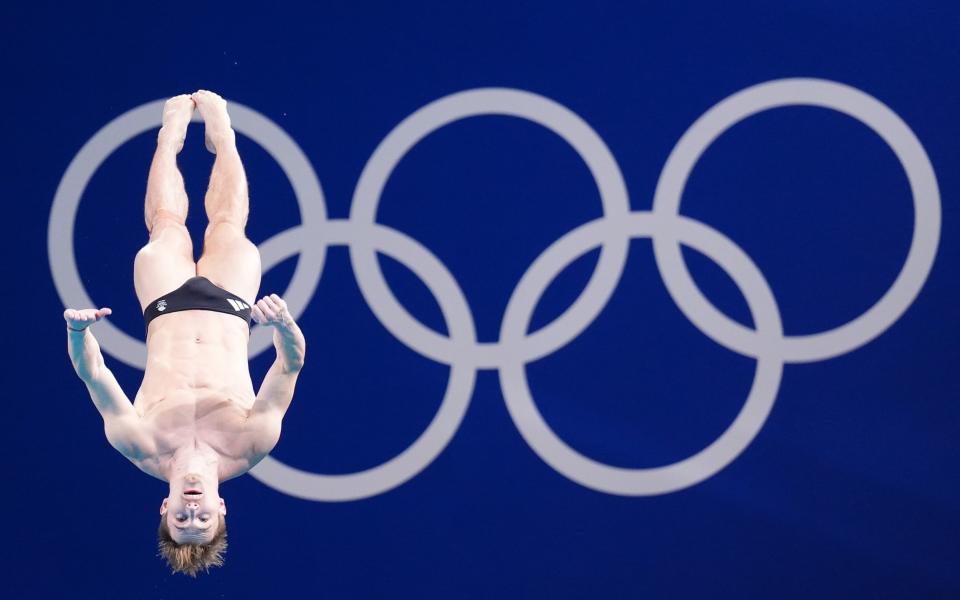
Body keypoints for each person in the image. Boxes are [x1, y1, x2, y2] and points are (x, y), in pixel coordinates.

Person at [63, 91, 306, 577]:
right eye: (201, 519)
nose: (191, 510)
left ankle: (169, 138)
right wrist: (282, 324)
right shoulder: (253, 441)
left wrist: (75, 332)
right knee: (228, 226)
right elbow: (290, 365)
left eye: (181, 519)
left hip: (164, 306)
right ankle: (223, 136)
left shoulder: (140, 444)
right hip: (232, 309)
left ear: (164, 510)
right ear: (222, 511)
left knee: (168, 228)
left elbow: (95, 377)